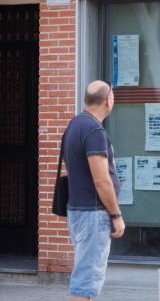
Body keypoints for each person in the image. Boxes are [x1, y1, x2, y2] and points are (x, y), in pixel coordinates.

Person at [62, 80, 125, 301]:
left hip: (79, 210)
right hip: (94, 213)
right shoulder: (94, 130)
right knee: (85, 284)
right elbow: (101, 180)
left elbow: (69, 170)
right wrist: (116, 215)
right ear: (108, 100)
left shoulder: (75, 125)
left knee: (84, 277)